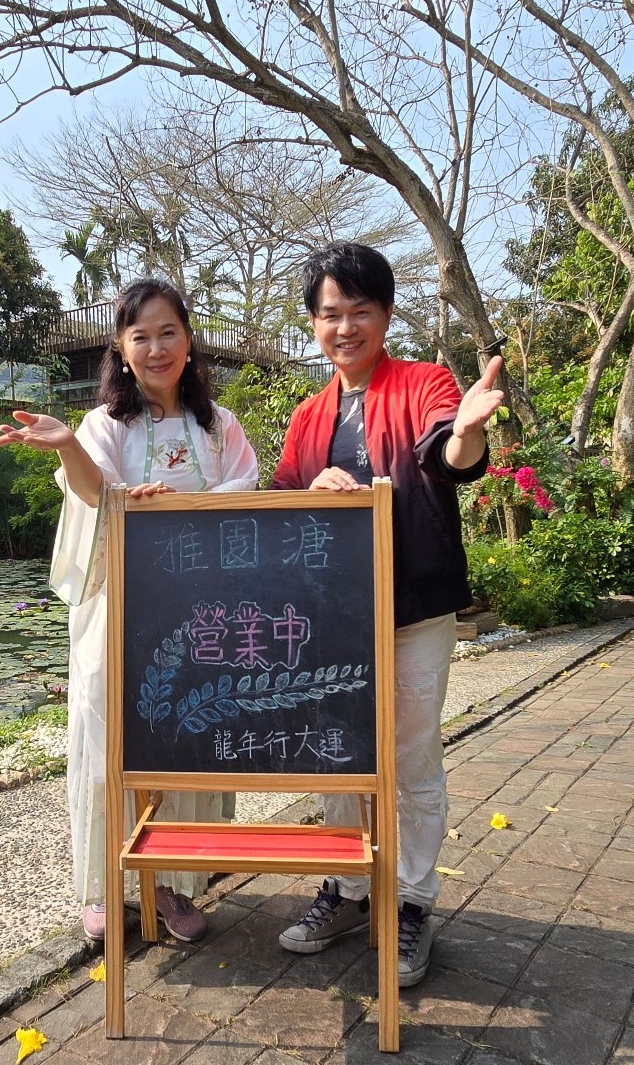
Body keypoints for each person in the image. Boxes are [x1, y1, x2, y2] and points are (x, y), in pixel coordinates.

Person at [0, 278, 258, 943]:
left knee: (188, 736)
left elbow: (246, 493)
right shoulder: (104, 424)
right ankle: (109, 884)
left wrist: (179, 508)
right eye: (142, 336)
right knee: (110, 737)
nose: (157, 348)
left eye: (169, 332)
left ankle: (172, 882)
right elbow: (93, 494)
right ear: (121, 347)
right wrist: (70, 448)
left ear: (189, 342)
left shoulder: (220, 426)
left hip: (197, 616)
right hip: (118, 611)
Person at [270, 243, 503, 987]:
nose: (345, 327)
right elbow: (279, 503)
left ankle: (411, 903)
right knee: (335, 753)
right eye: (330, 314)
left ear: (387, 314)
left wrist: (468, 433)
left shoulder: (425, 381)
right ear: (313, 324)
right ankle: (347, 889)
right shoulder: (309, 415)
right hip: (329, 620)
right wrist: (310, 491)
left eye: (360, 311)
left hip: (413, 609)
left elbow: (449, 452)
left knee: (410, 758)